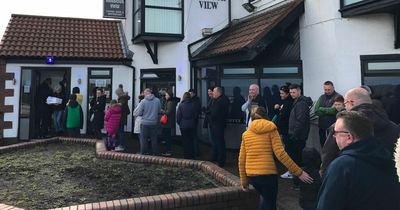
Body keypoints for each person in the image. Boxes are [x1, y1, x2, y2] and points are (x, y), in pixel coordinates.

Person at [317, 111, 400, 210]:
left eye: (336, 133)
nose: (334, 137)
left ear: (349, 137)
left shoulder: (341, 167)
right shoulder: (389, 159)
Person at [239, 106, 313, 210]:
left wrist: (244, 181)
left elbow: (241, 159)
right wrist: (298, 172)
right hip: (268, 175)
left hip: (252, 176)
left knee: (265, 201)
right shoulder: (271, 130)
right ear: (266, 116)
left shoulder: (246, 134)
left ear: (251, 118)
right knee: (270, 203)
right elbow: (281, 154)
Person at [320, 87, 400, 176]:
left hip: (351, 180)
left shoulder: (340, 127)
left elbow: (328, 155)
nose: (345, 107)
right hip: (389, 181)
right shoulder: (394, 128)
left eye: (345, 104)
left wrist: (325, 177)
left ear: (351, 102)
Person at [273, 85, 294, 179]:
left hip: (286, 130)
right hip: (284, 130)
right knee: (287, 150)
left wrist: (278, 110)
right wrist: (277, 110)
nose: (280, 95)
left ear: (287, 94)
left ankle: (291, 171)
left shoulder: (288, 103)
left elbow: (283, 116)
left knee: (289, 150)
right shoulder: (284, 102)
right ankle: (290, 170)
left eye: (282, 93)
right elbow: (280, 115)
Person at [133, 88, 161, 155]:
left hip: (144, 123)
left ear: (146, 93)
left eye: (144, 93)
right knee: (154, 139)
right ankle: (155, 154)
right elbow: (159, 110)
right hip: (154, 122)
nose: (144, 94)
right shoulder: (157, 100)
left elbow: (139, 113)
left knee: (143, 139)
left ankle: (143, 153)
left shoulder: (143, 101)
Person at [314, 81, 341, 147]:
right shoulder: (321, 97)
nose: (327, 91)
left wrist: (322, 109)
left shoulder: (338, 97)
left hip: (333, 127)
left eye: (329, 89)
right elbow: (316, 111)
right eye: (325, 89)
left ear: (333, 88)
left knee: (333, 146)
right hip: (322, 126)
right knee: (322, 145)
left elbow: (334, 111)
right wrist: (328, 110)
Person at [209, 86, 230, 167]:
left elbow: (214, 113)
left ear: (218, 92)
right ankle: (217, 159)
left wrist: (210, 116)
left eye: (214, 91)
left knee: (219, 143)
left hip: (217, 125)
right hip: (218, 125)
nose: (212, 93)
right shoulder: (222, 100)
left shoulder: (220, 101)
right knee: (218, 142)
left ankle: (220, 161)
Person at [177, 92, 198, 159]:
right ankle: (192, 155)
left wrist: (180, 123)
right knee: (192, 140)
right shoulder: (194, 104)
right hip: (192, 124)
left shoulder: (181, 105)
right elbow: (195, 115)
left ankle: (186, 155)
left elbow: (178, 116)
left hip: (183, 125)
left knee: (185, 141)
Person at [160, 91, 178, 156]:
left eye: (166, 95)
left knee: (167, 137)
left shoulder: (170, 102)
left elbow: (168, 112)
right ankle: (168, 150)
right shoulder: (170, 102)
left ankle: (168, 151)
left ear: (169, 96)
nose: (165, 96)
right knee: (167, 137)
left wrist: (162, 111)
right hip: (168, 122)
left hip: (167, 123)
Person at [114, 84, 131, 152]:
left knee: (121, 132)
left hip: (121, 118)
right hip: (123, 117)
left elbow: (121, 105)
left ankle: (121, 146)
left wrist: (114, 105)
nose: (117, 95)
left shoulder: (122, 98)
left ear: (119, 93)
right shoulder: (124, 98)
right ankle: (121, 145)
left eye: (117, 94)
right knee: (121, 132)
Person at [188, 88, 201, 157]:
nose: (190, 94)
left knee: (194, 137)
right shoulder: (196, 100)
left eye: (190, 93)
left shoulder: (194, 101)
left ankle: (196, 152)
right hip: (194, 121)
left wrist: (193, 119)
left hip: (193, 121)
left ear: (194, 93)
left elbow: (195, 112)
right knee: (194, 136)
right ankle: (195, 151)